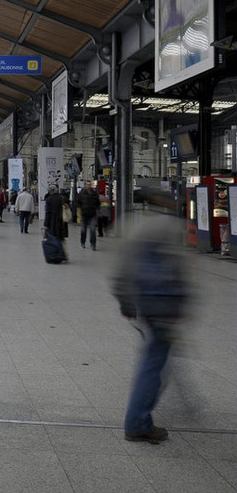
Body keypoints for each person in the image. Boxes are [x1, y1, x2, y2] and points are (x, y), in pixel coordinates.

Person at [114, 211, 188, 444]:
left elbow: (123, 266)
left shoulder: (135, 226)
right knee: (154, 363)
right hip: (162, 303)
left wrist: (125, 300)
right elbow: (178, 268)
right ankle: (137, 423)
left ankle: (138, 420)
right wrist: (182, 302)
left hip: (145, 301)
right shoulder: (171, 226)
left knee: (154, 359)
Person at [77, 180, 101, 250]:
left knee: (93, 230)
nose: (89, 186)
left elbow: (98, 203)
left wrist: (98, 211)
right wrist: (80, 211)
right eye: (87, 184)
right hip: (84, 214)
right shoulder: (81, 194)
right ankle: (82, 242)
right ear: (85, 185)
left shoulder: (94, 194)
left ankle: (93, 244)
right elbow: (78, 203)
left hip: (92, 214)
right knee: (83, 230)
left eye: (90, 184)